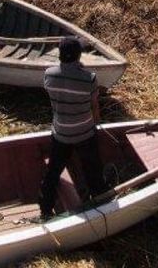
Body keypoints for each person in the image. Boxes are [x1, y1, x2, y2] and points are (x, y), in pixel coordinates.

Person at [39, 36, 110, 219]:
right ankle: (102, 203)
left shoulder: (49, 74)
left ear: (60, 55)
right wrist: (96, 124)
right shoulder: (89, 79)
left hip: (60, 133)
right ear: (79, 56)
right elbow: (94, 107)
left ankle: (45, 208)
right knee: (93, 169)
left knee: (53, 173)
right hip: (84, 133)